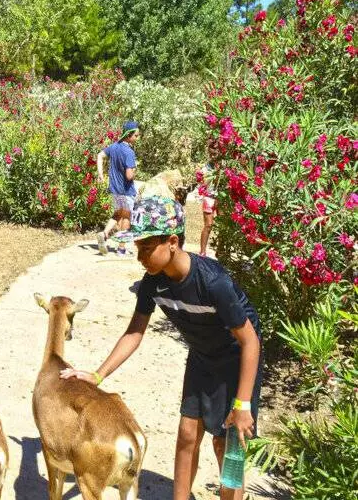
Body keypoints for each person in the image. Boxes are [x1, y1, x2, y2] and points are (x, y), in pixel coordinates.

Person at [61, 196, 262, 500]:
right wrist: (97, 375)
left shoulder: (213, 282)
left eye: (145, 248)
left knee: (226, 444)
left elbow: (250, 341)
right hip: (202, 355)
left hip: (237, 360)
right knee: (187, 434)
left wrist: (242, 405)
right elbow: (134, 333)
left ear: (172, 242)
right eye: (137, 248)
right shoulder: (152, 283)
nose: (139, 257)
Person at [96, 121, 141, 257]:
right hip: (126, 191)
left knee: (117, 215)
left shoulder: (114, 146)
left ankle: (104, 234)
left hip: (115, 190)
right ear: (128, 135)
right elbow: (129, 176)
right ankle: (121, 249)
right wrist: (135, 170)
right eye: (136, 135)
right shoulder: (129, 152)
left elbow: (100, 155)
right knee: (126, 218)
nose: (137, 138)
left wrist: (100, 174)